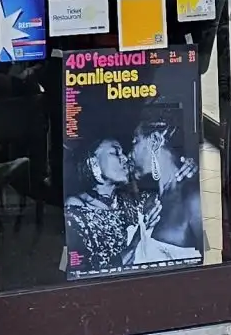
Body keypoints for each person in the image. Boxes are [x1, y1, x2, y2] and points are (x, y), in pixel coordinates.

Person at [128, 118, 204, 264]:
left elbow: (213, 257)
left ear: (155, 141)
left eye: (135, 141)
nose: (130, 154)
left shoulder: (193, 199)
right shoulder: (150, 203)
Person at [64, 136, 138, 277]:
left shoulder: (129, 203)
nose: (124, 158)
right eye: (115, 153)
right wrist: (121, 259)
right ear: (93, 162)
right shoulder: (76, 207)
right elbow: (72, 268)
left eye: (123, 153)